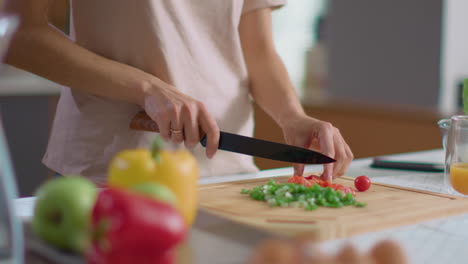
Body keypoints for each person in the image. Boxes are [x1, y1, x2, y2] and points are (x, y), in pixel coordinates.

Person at [4, 0, 353, 185]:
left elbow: (258, 50)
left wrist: (293, 116)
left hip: (228, 175)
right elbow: (19, 34)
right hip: (113, 170)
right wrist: (147, 88)